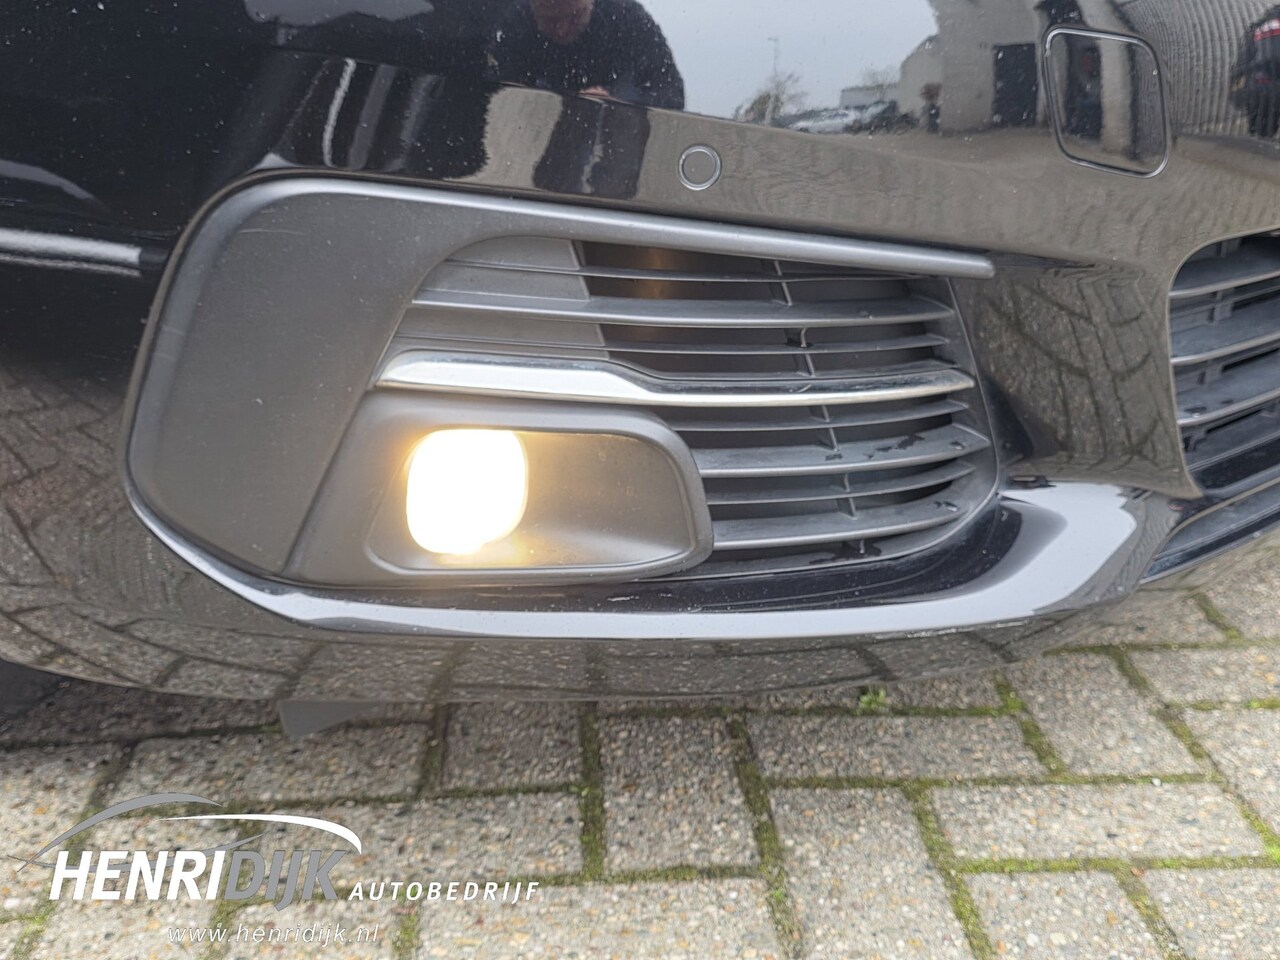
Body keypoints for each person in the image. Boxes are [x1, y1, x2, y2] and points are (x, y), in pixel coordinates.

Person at [490, 0, 685, 111]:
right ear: (533, 7)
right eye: (550, 20)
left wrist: (619, 105)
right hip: (534, 127)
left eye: (574, 16)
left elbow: (671, 93)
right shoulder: (514, 21)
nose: (561, 30)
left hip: (614, 138)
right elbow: (498, 91)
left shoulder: (627, 18)